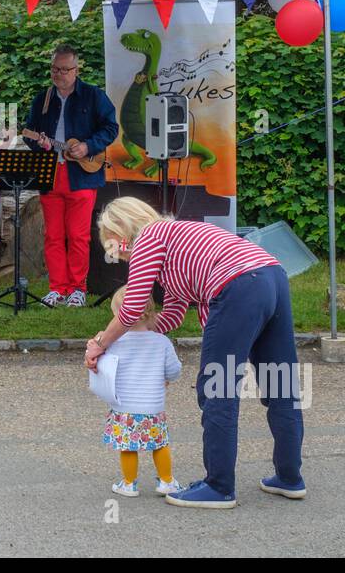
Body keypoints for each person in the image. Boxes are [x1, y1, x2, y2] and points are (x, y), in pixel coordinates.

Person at [86, 196, 304, 509]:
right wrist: (133, 339)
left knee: (216, 390)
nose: (120, 256)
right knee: (279, 382)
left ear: (122, 233)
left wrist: (101, 342)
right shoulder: (174, 244)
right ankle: (289, 477)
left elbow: (132, 306)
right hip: (271, 276)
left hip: (238, 286)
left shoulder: (148, 237)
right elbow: (171, 317)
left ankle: (219, 487)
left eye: (114, 246)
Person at [24, 44, 119, 307]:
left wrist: (88, 146)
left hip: (83, 175)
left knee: (78, 235)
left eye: (65, 69)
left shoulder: (93, 96)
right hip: (51, 173)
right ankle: (57, 288)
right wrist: (39, 143)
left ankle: (77, 288)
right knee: (52, 235)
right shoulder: (42, 98)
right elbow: (29, 132)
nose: (59, 74)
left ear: (76, 70)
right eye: (55, 69)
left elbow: (111, 128)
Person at [99, 287, 182, 498]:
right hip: (153, 406)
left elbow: (104, 366)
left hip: (124, 406)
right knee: (160, 444)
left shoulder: (114, 343)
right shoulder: (162, 341)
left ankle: (129, 483)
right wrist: (166, 380)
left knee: (128, 447)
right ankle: (166, 481)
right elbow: (174, 370)